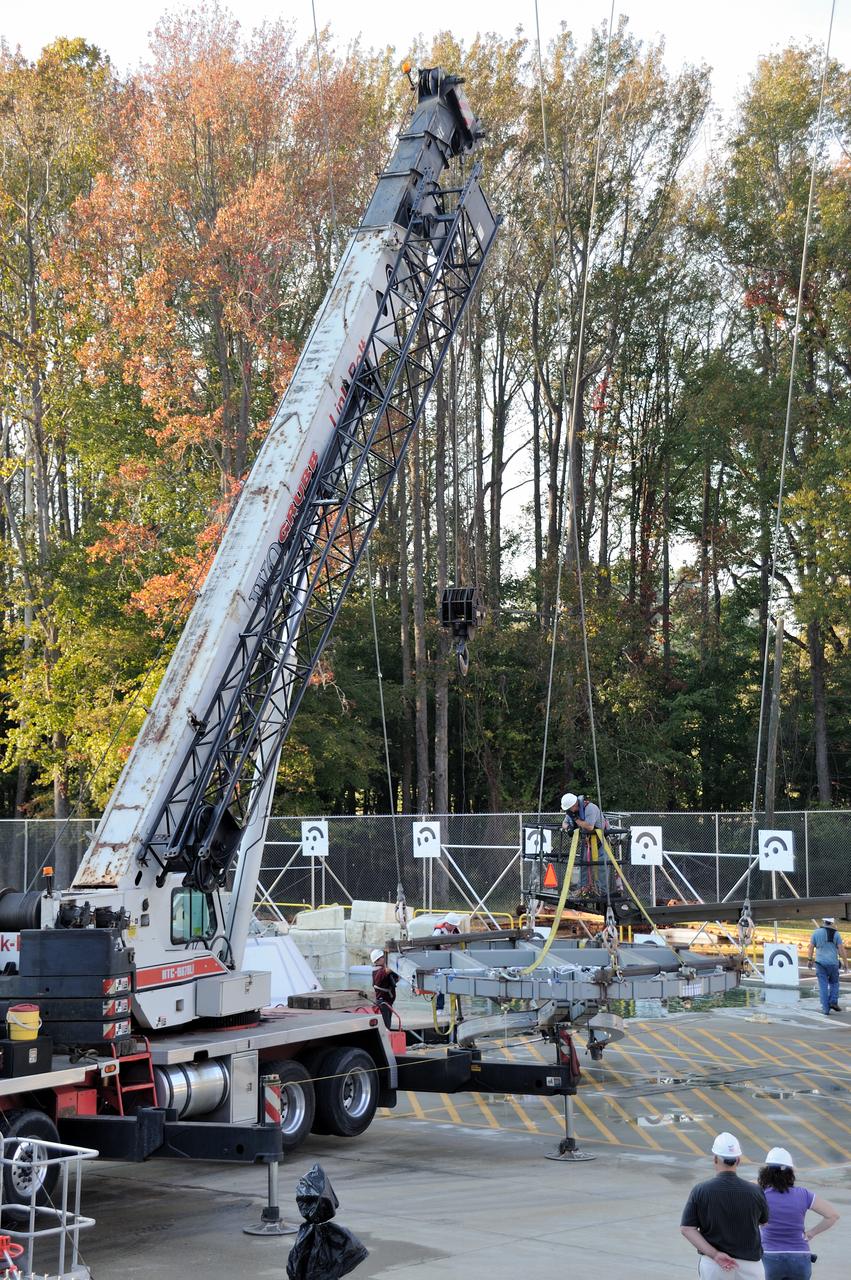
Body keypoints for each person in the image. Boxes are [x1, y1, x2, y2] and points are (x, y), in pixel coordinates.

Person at [680, 1131, 769, 1279]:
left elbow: (687, 1229)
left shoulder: (700, 1190)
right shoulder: (755, 1191)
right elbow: (764, 1221)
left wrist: (715, 1254)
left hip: (714, 1265)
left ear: (715, 1159)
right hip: (751, 1266)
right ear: (738, 1160)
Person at [758, 1146, 839, 1280]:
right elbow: (832, 1215)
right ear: (791, 1172)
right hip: (800, 1257)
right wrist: (811, 1233)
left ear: (766, 1172)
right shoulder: (804, 1194)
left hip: (770, 1257)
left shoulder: (761, 1195)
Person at [561, 792, 609, 894]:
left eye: (569, 808)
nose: (568, 811)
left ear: (574, 805)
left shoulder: (590, 808)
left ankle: (602, 892)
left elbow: (589, 826)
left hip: (600, 842)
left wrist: (575, 819)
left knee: (601, 867)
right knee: (583, 866)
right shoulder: (572, 812)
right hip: (587, 842)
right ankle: (583, 889)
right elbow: (564, 823)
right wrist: (568, 828)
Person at [806, 916, 847, 1015]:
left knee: (823, 985)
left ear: (823, 921)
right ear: (832, 923)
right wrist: (846, 963)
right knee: (834, 983)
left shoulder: (816, 933)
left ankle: (826, 1009)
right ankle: (833, 1001)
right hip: (833, 964)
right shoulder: (836, 934)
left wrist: (810, 960)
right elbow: (841, 950)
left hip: (820, 963)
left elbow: (811, 947)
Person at [370, 947, 398, 1029]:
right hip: (383, 1004)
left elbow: (396, 979)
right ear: (377, 960)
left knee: (387, 1026)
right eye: (383, 957)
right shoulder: (379, 972)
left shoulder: (381, 971)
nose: (385, 959)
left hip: (387, 1003)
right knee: (386, 1027)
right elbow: (389, 969)